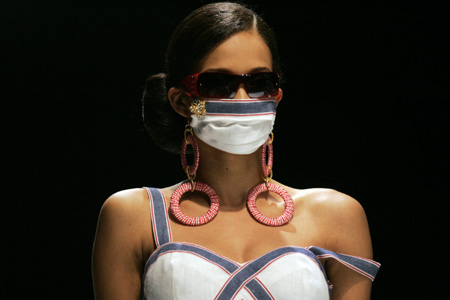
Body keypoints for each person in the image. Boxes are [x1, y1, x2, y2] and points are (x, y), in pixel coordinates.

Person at [92, 2, 380, 299]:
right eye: (217, 84)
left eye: (259, 82)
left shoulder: (336, 216)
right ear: (181, 102)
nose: (242, 99)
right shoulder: (133, 215)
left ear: (276, 96)